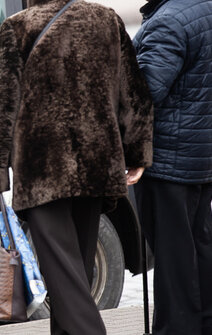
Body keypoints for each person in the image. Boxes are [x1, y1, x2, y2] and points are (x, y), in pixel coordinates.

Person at [0, 0, 154, 334]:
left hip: (42, 170)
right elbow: (133, 95)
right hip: (96, 165)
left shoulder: (18, 27)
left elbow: (1, 107)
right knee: (77, 272)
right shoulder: (107, 20)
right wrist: (135, 154)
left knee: (64, 276)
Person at [132, 0, 212, 334]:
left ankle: (177, 328)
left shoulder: (168, 22)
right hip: (201, 156)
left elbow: (146, 91)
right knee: (200, 246)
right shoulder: (204, 10)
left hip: (168, 159)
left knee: (173, 255)